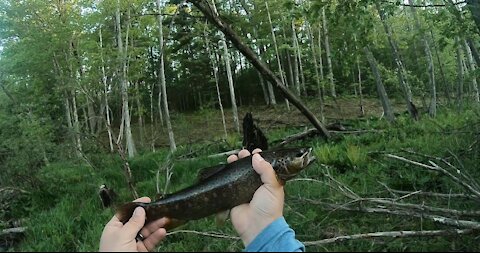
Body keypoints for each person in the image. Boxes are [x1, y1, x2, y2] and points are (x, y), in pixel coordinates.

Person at [99, 148, 305, 252]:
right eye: (299, 155)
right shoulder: (270, 166)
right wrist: (266, 233)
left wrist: (261, 227)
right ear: (280, 163)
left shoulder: (269, 172)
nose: (303, 157)